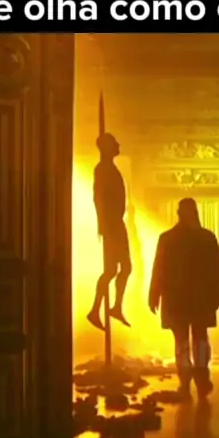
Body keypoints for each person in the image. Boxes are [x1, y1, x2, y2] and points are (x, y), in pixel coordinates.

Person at [149, 198, 219, 399]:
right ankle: (201, 379)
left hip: (177, 299)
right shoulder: (206, 238)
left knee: (182, 342)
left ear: (178, 213)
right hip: (200, 298)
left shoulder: (168, 239)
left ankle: (186, 381)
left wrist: (154, 294)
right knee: (199, 339)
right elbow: (216, 269)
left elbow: (159, 268)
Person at [87, 132, 132, 331]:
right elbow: (98, 197)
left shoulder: (109, 168)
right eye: (114, 143)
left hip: (115, 223)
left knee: (122, 268)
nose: (118, 144)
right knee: (113, 270)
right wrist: (103, 224)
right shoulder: (103, 169)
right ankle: (97, 309)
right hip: (112, 225)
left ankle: (114, 307)